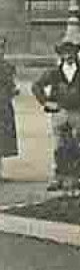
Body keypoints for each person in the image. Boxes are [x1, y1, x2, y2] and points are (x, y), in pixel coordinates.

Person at [31, 40, 80, 188]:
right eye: (65, 53)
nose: (69, 56)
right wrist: (45, 102)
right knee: (59, 146)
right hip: (60, 112)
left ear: (76, 54)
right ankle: (59, 177)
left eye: (71, 53)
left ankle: (78, 178)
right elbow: (36, 86)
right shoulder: (54, 72)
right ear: (61, 55)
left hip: (78, 113)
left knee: (79, 144)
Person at [0, 38, 19, 181]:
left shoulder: (8, 67)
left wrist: (13, 90)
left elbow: (12, 87)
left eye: (2, 48)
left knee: (3, 138)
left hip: (3, 105)